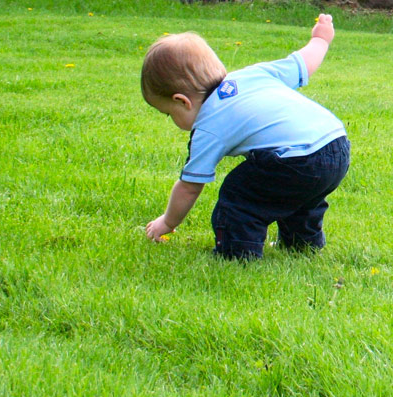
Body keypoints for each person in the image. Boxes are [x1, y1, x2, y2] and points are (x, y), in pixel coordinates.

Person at [141, 14, 350, 259]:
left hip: (299, 158)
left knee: (240, 194)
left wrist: (167, 222)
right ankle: (301, 245)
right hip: (335, 144)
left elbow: (189, 187)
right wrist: (320, 39)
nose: (173, 121)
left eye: (168, 114)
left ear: (182, 101)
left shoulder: (208, 125)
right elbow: (302, 63)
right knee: (300, 195)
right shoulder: (251, 75)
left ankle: (237, 253)